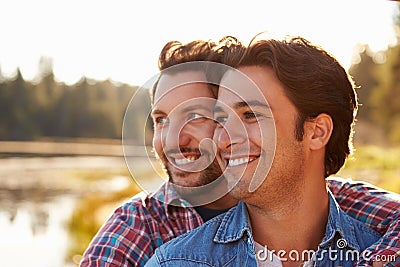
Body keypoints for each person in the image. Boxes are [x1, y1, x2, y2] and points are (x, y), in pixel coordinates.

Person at [80, 38, 400, 267]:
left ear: (317, 132)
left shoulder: (345, 212)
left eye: (196, 116)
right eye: (161, 120)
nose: (172, 140)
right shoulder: (144, 228)